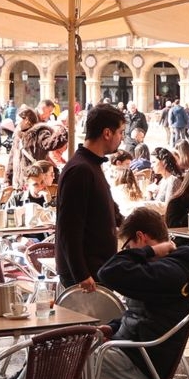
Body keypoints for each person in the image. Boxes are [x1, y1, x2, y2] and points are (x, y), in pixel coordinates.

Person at [95, 207, 189, 379]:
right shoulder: (173, 266)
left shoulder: (167, 271)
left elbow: (108, 272)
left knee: (54, 358)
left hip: (140, 362)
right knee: (66, 344)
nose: (126, 253)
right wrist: (112, 327)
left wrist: (150, 252)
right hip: (139, 352)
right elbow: (145, 313)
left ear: (140, 237)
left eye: (128, 247)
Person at [55, 103, 126, 291]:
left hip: (97, 268)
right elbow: (68, 228)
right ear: (107, 133)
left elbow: (107, 209)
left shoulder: (91, 165)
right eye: (120, 132)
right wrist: (81, 274)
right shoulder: (81, 169)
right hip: (87, 275)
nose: (122, 138)